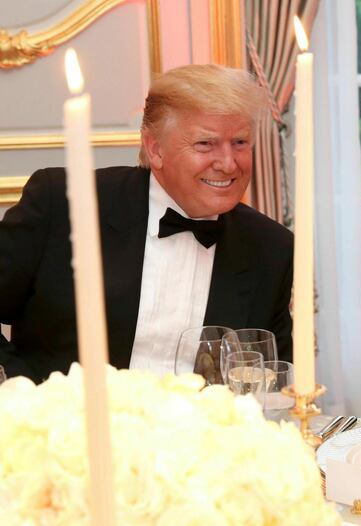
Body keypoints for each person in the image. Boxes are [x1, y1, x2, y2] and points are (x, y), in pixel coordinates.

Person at [0, 64, 293, 382]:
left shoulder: (269, 247)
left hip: (202, 430)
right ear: (155, 149)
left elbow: (272, 374)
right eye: (205, 144)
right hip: (67, 426)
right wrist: (21, 390)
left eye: (239, 142)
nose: (228, 163)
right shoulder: (62, 204)